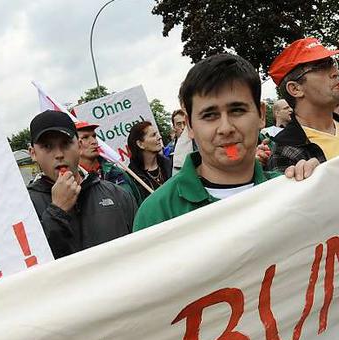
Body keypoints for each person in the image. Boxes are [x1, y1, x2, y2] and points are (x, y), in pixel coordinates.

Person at [133, 53, 318, 230]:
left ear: (261, 115)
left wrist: (320, 185)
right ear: (190, 126)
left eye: (237, 110)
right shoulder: (157, 213)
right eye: (210, 115)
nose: (225, 128)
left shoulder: (292, 191)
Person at [27, 110, 138, 259]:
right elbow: (32, 266)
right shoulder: (25, 209)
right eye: (47, 146)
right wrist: (56, 212)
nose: (59, 154)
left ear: (79, 146)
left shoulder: (117, 195)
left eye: (65, 144)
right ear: (33, 153)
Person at [266, 38, 339, 171]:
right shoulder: (285, 152)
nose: (336, 72)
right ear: (295, 89)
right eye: (321, 66)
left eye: (332, 62)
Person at [76, 121, 132, 188]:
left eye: (94, 136)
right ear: (73, 144)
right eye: (85, 137)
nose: (94, 142)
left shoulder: (117, 172)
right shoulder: (71, 182)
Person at [126, 121, 172, 203]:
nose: (159, 137)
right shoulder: (131, 178)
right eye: (153, 135)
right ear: (140, 144)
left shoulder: (170, 165)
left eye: (157, 134)